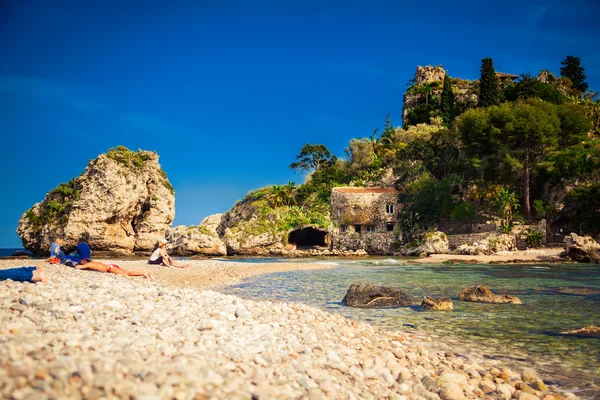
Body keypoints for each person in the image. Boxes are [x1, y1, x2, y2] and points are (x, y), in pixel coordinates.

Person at [75, 261, 150, 278]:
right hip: (111, 266)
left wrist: (73, 266)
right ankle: (144, 272)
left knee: (127, 274)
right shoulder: (93, 262)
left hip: (110, 268)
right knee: (127, 272)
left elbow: (79, 267)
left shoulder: (88, 264)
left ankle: (143, 273)